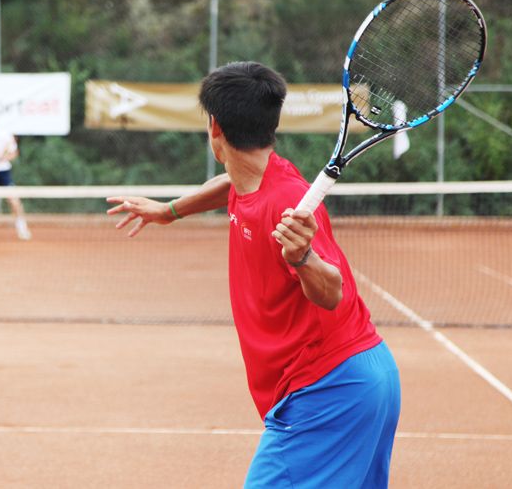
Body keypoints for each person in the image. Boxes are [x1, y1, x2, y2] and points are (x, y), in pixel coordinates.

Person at [107, 62, 400, 488]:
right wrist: (168, 211)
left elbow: (332, 289)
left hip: (327, 388)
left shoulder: (287, 202)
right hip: (357, 375)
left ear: (214, 129)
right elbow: (231, 183)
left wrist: (302, 260)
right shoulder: (262, 176)